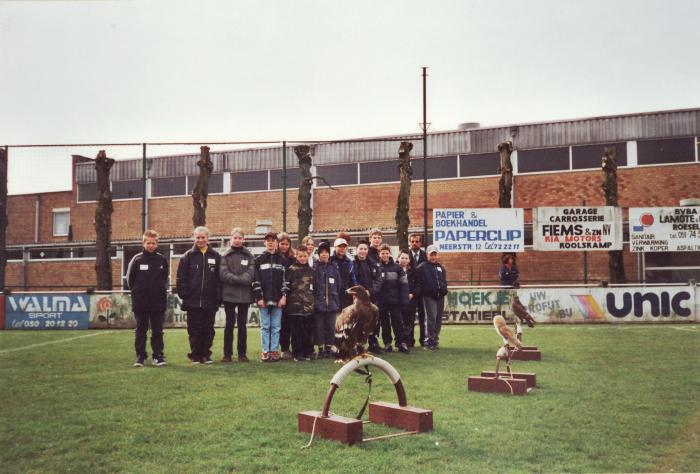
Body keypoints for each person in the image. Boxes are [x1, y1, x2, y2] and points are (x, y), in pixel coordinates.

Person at [176, 226, 222, 364]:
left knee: (208, 330)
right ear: (194, 238)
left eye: (203, 237)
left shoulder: (216, 256)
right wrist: (185, 295)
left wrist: (218, 297)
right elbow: (180, 278)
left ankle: (205, 355)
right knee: (194, 330)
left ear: (208, 238)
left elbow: (219, 279)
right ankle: (195, 356)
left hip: (210, 301)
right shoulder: (187, 256)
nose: (200, 240)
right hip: (193, 301)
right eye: (198, 237)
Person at [126, 229, 170, 367]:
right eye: (148, 243)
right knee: (141, 330)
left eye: (153, 243)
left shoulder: (162, 260)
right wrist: (138, 292)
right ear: (143, 243)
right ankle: (140, 356)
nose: (151, 245)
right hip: (141, 302)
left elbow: (164, 279)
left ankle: (158, 356)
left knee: (158, 331)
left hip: (158, 302)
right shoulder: (137, 259)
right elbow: (130, 280)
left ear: (157, 244)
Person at [219, 227, 255, 363]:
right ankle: (227, 355)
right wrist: (238, 280)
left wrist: (239, 280)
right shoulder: (225, 256)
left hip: (245, 296)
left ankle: (242, 355)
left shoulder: (249, 256)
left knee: (242, 325)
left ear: (244, 239)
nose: (238, 240)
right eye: (235, 238)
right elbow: (223, 273)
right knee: (229, 325)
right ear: (231, 239)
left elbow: (251, 273)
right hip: (229, 295)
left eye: (240, 238)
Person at [252, 232, 288, 362]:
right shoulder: (258, 260)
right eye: (268, 240)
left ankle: (274, 351)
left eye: (273, 240)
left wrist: (283, 296)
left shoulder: (282, 259)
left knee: (276, 327)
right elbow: (255, 281)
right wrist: (259, 297)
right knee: (265, 326)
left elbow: (286, 281)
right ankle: (265, 352)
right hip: (264, 299)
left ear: (276, 243)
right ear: (264, 242)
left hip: (278, 299)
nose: (271, 242)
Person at [352, 239, 384, 353]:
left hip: (372, 297)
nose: (363, 251)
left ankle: (373, 343)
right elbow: (352, 280)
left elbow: (378, 280)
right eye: (361, 249)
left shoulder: (373, 263)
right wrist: (361, 292)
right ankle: (358, 345)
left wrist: (370, 291)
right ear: (356, 250)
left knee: (372, 322)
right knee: (359, 322)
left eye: (365, 249)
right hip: (358, 299)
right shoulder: (352, 263)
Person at [377, 244, 410, 353]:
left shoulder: (397, 268)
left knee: (397, 323)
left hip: (395, 301)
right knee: (385, 324)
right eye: (383, 253)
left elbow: (404, 285)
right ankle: (387, 344)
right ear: (379, 254)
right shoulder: (377, 267)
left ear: (390, 254)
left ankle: (400, 343)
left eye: (387, 253)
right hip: (382, 302)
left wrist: (404, 300)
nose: (385, 255)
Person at [415, 245, 448, 350]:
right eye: (431, 255)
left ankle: (435, 339)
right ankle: (428, 340)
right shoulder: (421, 267)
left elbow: (443, 281)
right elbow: (418, 282)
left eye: (435, 254)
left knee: (438, 319)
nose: (433, 257)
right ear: (427, 255)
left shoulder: (441, 267)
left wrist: (444, 290)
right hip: (429, 296)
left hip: (440, 297)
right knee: (431, 318)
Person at [285, 245, 315, 361]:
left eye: (305, 256)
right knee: (296, 332)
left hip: (308, 307)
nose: (303, 258)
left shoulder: (312, 271)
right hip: (294, 307)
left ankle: (307, 353)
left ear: (308, 256)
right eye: (300, 256)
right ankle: (297, 354)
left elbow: (315, 288)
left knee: (307, 332)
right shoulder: (291, 270)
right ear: (296, 256)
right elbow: (286, 287)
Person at [313, 242, 341, 359]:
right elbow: (313, 286)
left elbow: (339, 285)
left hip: (332, 304)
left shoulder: (333, 268)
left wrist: (334, 297)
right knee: (319, 327)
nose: (324, 255)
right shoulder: (315, 268)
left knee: (330, 327)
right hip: (319, 304)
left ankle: (329, 348)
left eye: (326, 252)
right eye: (322, 252)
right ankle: (321, 348)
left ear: (329, 254)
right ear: (319, 254)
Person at [277, 232, 296, 360]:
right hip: (278, 296)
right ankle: (283, 348)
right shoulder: (275, 258)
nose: (284, 246)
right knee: (280, 324)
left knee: (291, 324)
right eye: (282, 244)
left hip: (292, 296)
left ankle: (292, 348)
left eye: (286, 244)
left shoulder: (293, 260)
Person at [408, 233, 427, 347]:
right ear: (410, 242)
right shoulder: (405, 255)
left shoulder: (425, 256)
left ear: (420, 243)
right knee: (410, 318)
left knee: (422, 317)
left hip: (423, 292)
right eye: (412, 241)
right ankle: (410, 340)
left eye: (417, 241)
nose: (414, 243)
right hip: (411, 293)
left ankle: (423, 340)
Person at [397, 250, 416, 353]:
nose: (404, 260)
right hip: (398, 300)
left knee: (409, 322)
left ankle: (407, 342)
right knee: (399, 322)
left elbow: (418, 285)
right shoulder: (395, 270)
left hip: (410, 301)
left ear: (409, 260)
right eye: (402, 257)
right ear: (398, 258)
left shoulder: (413, 271)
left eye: (406, 258)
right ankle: (399, 342)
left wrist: (412, 294)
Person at [330, 237, 357, 309]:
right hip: (332, 297)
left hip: (346, 297)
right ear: (335, 247)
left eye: (344, 247)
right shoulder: (330, 261)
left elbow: (353, 280)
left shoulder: (349, 262)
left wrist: (354, 294)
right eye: (340, 246)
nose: (342, 248)